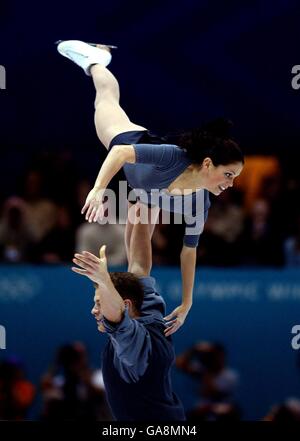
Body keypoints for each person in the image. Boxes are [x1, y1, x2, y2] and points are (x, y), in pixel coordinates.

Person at [57, 40, 244, 334]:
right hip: (129, 145)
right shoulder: (174, 156)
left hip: (144, 194)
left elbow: (188, 252)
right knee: (105, 100)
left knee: (140, 269)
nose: (231, 184)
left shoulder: (199, 204)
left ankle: (130, 308)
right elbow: (119, 154)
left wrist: (187, 303)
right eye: (229, 174)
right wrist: (97, 189)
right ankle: (95, 60)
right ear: (208, 164)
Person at [71, 205, 186, 421]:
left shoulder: (132, 342)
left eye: (99, 303)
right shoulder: (146, 311)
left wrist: (104, 280)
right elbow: (140, 263)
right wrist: (147, 199)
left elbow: (116, 313)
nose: (95, 311)